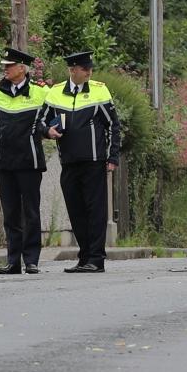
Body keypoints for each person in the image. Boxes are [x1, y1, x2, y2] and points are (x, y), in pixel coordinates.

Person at [39, 51, 120, 273]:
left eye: (90, 68)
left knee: (95, 211)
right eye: (85, 69)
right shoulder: (56, 93)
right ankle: (84, 257)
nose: (89, 72)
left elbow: (113, 125)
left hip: (94, 161)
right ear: (72, 70)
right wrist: (48, 131)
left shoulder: (99, 90)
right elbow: (40, 122)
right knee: (76, 211)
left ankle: (96, 259)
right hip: (69, 162)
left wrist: (112, 157)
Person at [0, 48, 50, 275]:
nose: (5, 69)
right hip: (5, 160)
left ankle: (31, 260)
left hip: (29, 160)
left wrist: (42, 131)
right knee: (10, 214)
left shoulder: (40, 91)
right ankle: (13, 261)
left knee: (30, 212)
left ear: (22, 68)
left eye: (9, 66)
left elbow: (51, 115)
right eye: (5, 66)